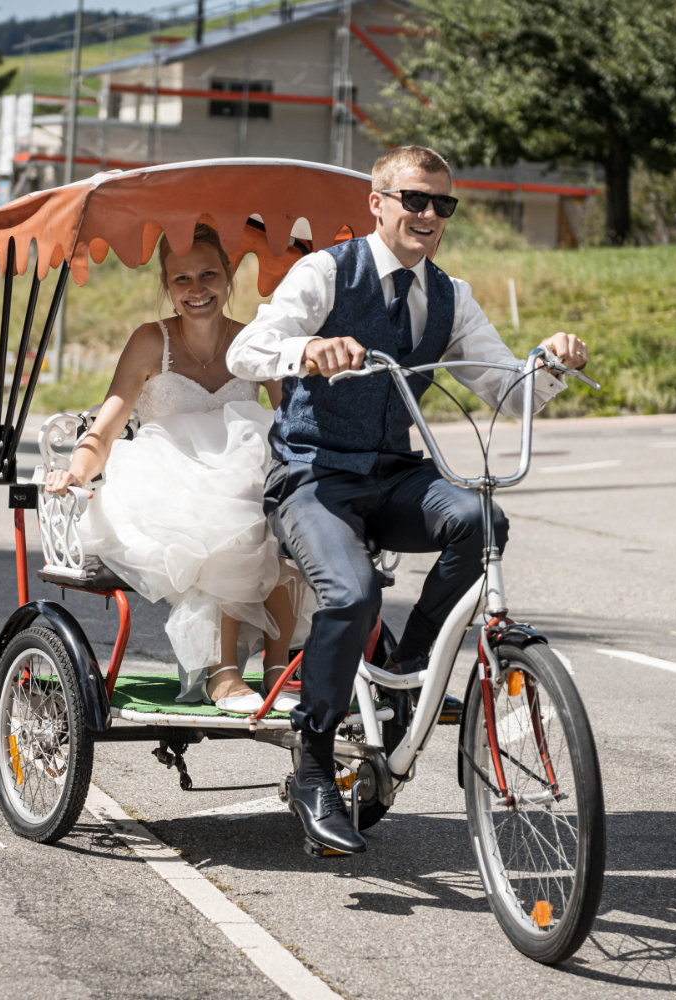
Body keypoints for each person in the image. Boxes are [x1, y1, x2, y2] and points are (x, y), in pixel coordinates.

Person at [227, 145, 590, 855]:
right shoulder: (326, 272)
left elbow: (507, 391)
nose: (428, 214)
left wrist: (548, 363)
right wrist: (307, 352)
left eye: (441, 204)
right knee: (353, 593)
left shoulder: (450, 296)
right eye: (413, 199)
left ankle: (406, 673)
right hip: (313, 475)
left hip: (393, 475)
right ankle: (313, 764)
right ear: (377, 203)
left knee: (482, 520)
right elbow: (247, 350)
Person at [45, 223, 302, 715]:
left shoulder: (252, 342)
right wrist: (76, 471)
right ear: (166, 284)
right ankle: (224, 673)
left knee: (287, 507)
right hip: (166, 482)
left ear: (228, 277)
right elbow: (107, 425)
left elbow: (293, 420)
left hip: (243, 475)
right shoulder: (150, 340)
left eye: (208, 275)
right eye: (182, 279)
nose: (196, 289)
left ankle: (278, 667)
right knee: (231, 511)